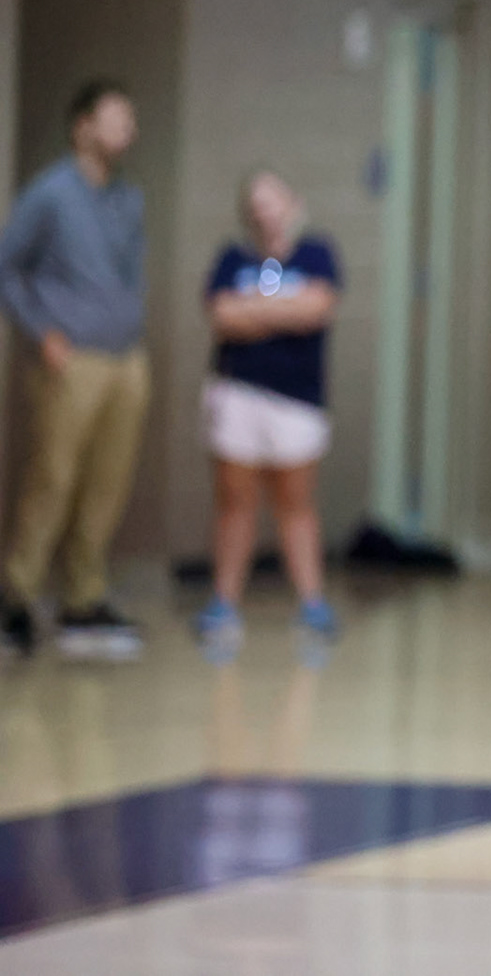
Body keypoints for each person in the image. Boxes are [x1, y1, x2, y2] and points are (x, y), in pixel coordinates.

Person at [0, 79, 151, 660]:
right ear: (82, 126)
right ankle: (16, 594)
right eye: (115, 117)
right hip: (72, 357)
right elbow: (8, 267)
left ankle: (83, 597)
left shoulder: (128, 198)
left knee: (108, 482)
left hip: (125, 357)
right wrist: (42, 330)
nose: (126, 129)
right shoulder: (50, 194)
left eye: (130, 120)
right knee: (53, 478)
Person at [196, 170, 342, 648]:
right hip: (237, 393)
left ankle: (312, 605)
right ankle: (223, 603)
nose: (266, 212)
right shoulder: (232, 258)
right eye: (256, 203)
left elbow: (316, 309)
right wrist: (283, 311)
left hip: (297, 400)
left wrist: (252, 310)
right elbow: (222, 316)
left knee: (295, 503)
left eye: (273, 200)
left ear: (293, 203)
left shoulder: (316, 253)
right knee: (235, 502)